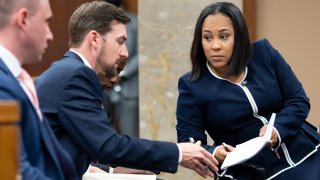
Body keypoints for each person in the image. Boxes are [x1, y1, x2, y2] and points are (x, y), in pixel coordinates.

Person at [35, 1, 219, 178]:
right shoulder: (76, 75)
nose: (125, 52)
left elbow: (81, 149)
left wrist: (112, 172)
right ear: (94, 39)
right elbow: (107, 145)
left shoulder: (69, 71)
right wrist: (178, 152)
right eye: (120, 41)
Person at [176, 2, 320, 180]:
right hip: (250, 171)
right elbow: (189, 142)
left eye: (224, 37)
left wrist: (277, 130)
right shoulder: (191, 85)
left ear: (240, 37)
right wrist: (214, 152)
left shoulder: (264, 53)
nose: (215, 46)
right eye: (207, 38)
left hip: (306, 154)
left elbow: (298, 101)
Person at [0, 0, 78, 179]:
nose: (50, 35)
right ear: (24, 19)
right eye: (46, 22)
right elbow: (16, 171)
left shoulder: (14, 77)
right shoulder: (3, 82)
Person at [105, 0, 140, 138]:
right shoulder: (100, 23)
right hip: (105, 89)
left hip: (128, 91)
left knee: (130, 136)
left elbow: (141, 54)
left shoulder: (135, 23)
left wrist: (122, 73)